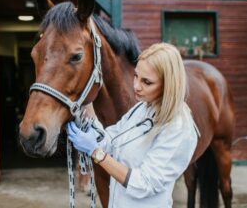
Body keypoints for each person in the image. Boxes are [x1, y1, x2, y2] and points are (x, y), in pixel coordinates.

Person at [67, 43, 199, 208]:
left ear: (168, 85)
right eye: (136, 76)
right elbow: (111, 141)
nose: (136, 86)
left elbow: (144, 184)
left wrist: (96, 153)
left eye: (147, 82)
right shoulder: (142, 108)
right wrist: (88, 106)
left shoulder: (178, 128)